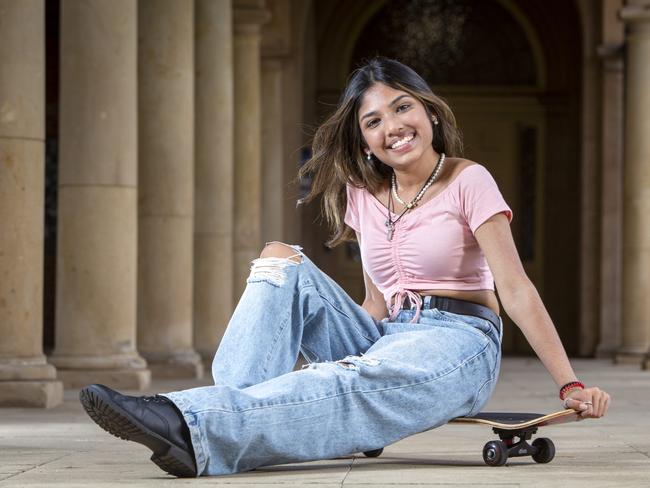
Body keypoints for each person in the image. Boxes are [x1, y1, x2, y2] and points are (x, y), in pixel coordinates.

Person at [79, 57, 610, 478]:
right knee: (278, 260)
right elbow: (376, 304)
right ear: (363, 141)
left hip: (458, 341)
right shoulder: (363, 195)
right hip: (388, 333)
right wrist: (345, 347)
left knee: (352, 375)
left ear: (428, 112)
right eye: (373, 121)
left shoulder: (468, 180)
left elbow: (515, 289)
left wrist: (569, 386)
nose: (393, 127)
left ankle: (186, 420)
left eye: (403, 108)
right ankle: (225, 410)